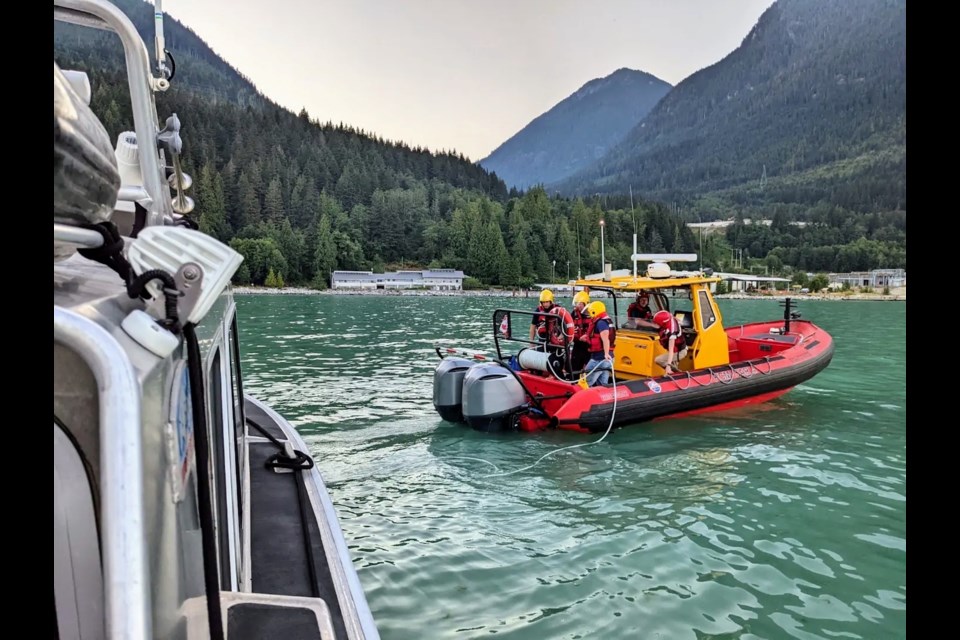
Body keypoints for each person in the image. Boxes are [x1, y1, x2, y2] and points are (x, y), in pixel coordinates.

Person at [584, 301, 615, 386]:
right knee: (603, 383)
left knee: (586, 381)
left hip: (600, 358)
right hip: (607, 358)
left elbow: (605, 339)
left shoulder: (601, 323)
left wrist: (606, 354)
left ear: (594, 311)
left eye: (590, 312)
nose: (589, 314)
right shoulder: (605, 321)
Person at [653, 309, 688, 375]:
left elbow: (671, 350)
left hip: (680, 352)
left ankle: (679, 374)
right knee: (673, 365)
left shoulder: (672, 333)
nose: (656, 325)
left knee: (658, 360)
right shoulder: (670, 318)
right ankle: (677, 374)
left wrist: (668, 366)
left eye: (657, 323)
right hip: (676, 350)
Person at [570, 290, 591, 373]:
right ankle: (573, 380)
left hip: (588, 345)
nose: (578, 306)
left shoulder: (591, 313)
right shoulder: (574, 314)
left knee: (588, 365)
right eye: (577, 303)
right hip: (577, 343)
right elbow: (568, 325)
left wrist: (587, 336)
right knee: (574, 365)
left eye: (580, 304)